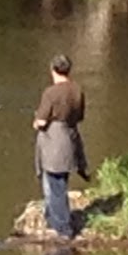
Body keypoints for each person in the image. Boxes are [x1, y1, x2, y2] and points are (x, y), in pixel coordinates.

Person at [32, 54, 88, 240]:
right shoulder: (77, 90)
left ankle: (63, 228)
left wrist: (36, 122)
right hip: (70, 139)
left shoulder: (51, 93)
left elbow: (41, 121)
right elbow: (79, 117)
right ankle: (53, 219)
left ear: (53, 70)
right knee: (60, 180)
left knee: (54, 184)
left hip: (53, 141)